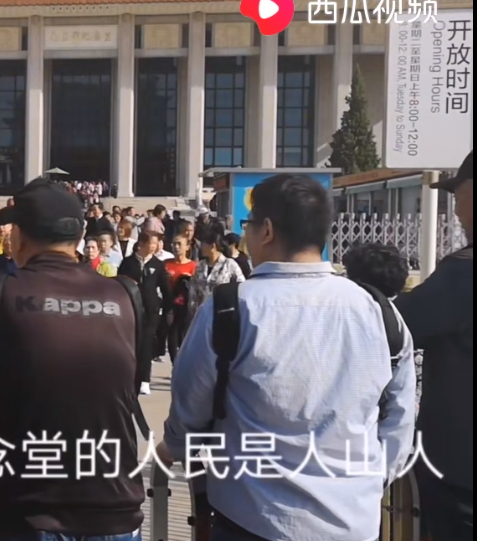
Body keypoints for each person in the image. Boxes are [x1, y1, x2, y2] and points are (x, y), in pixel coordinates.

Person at [158, 174, 417, 541]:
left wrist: (174, 448)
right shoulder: (378, 312)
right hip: (355, 523)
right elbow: (400, 416)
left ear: (266, 230)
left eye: (247, 225)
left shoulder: (230, 308)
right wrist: (372, 479)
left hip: (252, 521)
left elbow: (189, 409)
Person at [0, 179, 146, 541]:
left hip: (33, 509)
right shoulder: (123, 295)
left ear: (21, 237)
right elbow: (128, 388)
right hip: (117, 507)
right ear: (79, 237)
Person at [394, 151, 473, 541]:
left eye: (458, 195)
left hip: (460, 476)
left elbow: (396, 327)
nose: (455, 210)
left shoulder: (463, 273)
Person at [117, 231, 171, 395]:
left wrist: (168, 309)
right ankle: (128, 376)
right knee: (130, 343)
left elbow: (165, 289)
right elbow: (119, 283)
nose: (154, 246)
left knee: (146, 343)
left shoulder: (157, 264)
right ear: (141, 244)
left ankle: (144, 379)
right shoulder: (128, 262)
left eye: (156, 243)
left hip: (150, 310)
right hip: (130, 307)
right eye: (151, 243)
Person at [188, 222, 245, 317]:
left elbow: (241, 287)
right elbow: (193, 291)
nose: (201, 247)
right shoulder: (200, 266)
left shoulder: (229, 265)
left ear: (212, 246)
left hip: (223, 315)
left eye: (203, 244)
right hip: (201, 315)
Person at [162, 234, 197, 360]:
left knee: (184, 333)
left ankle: (184, 359)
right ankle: (174, 362)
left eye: (179, 244)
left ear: (187, 247)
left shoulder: (193, 266)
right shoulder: (166, 264)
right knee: (172, 331)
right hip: (170, 303)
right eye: (174, 244)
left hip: (186, 306)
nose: (176, 247)